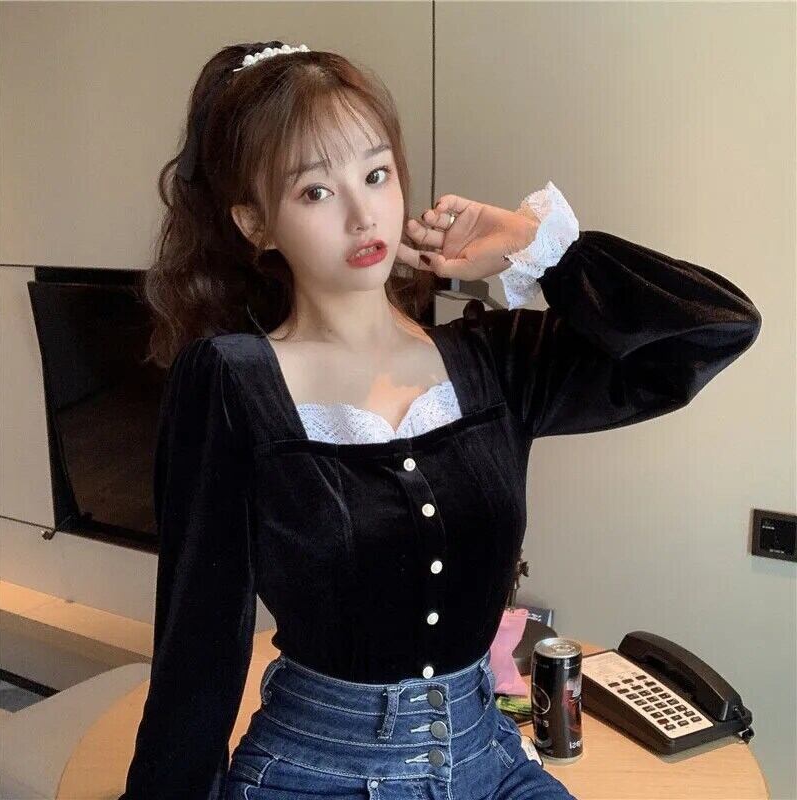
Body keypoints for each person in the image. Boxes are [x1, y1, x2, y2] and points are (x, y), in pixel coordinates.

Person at [119, 40, 762, 800]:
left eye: (376, 174)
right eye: (315, 192)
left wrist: (540, 249)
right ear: (255, 223)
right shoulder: (231, 383)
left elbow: (714, 330)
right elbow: (198, 645)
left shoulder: (492, 360)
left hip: (490, 758)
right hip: (318, 774)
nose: (363, 214)